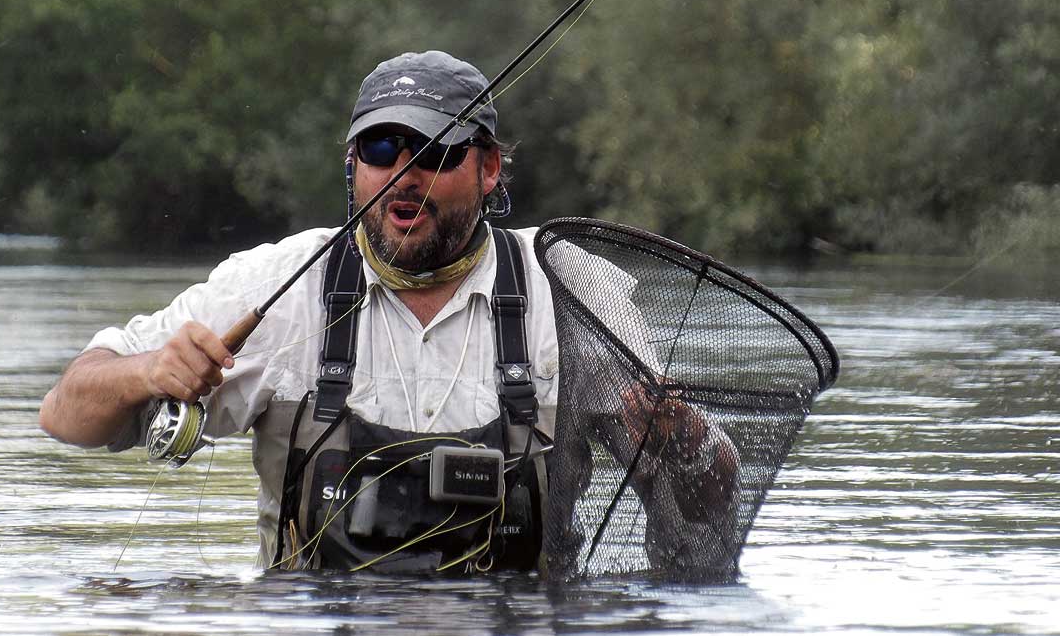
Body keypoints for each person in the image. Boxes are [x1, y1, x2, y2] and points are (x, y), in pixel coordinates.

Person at [40, 50, 738, 575]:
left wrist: (685, 442)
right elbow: (65, 414)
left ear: (489, 168)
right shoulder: (274, 284)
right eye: (380, 148)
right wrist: (147, 372)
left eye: (432, 150)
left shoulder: (574, 287)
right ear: (353, 165)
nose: (402, 174)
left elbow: (704, 506)